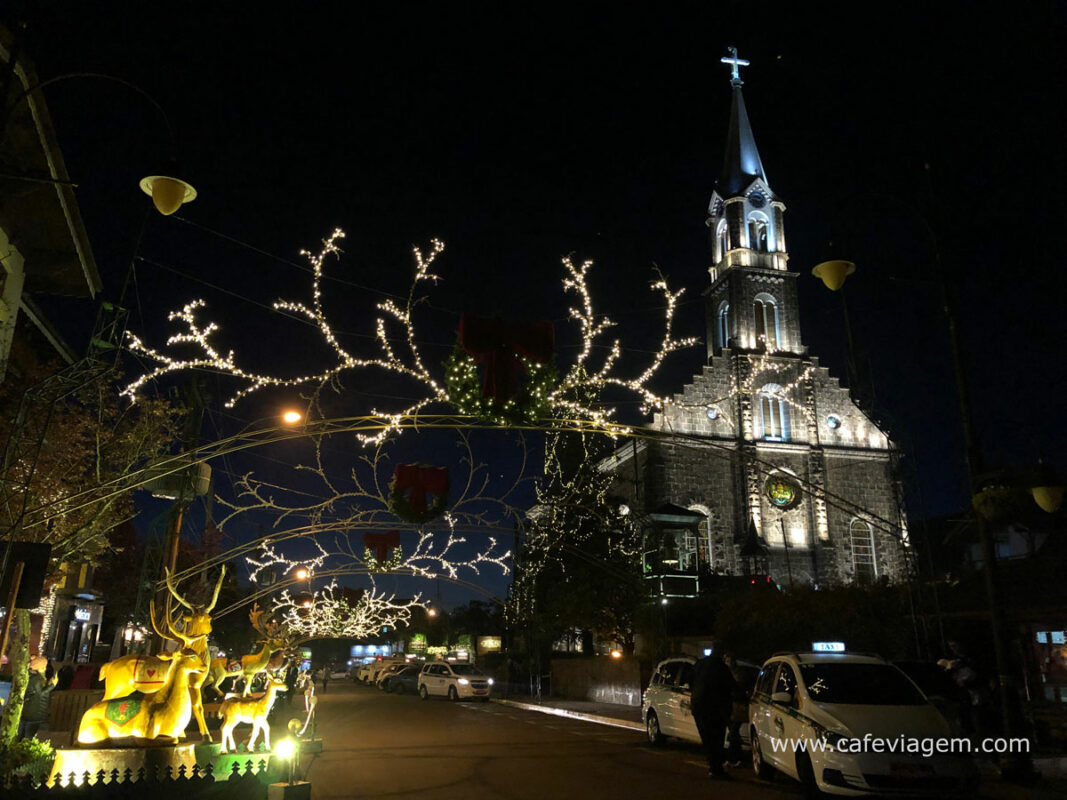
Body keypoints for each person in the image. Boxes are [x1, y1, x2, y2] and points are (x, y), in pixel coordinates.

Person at [691, 647, 739, 779]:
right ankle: (716, 769)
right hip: (713, 708)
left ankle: (713, 767)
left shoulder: (699, 665)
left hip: (698, 706)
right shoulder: (720, 667)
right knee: (716, 739)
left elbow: (691, 681)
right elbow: (732, 686)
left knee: (707, 739)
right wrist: (743, 696)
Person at [19, 656, 57, 738]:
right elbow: (41, 693)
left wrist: (48, 684)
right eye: (44, 666)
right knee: (29, 735)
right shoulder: (37, 679)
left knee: (22, 732)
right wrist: (52, 685)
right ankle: (23, 748)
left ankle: (17, 746)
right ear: (40, 667)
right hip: (35, 711)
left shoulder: (31, 676)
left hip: (29, 709)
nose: (45, 668)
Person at [722, 652, 748, 767]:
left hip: (738, 708)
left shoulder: (738, 674)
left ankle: (732, 758)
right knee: (734, 734)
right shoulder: (726, 673)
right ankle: (739, 757)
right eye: (727, 661)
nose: (729, 663)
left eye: (730, 661)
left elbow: (738, 690)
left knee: (733, 733)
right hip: (730, 708)